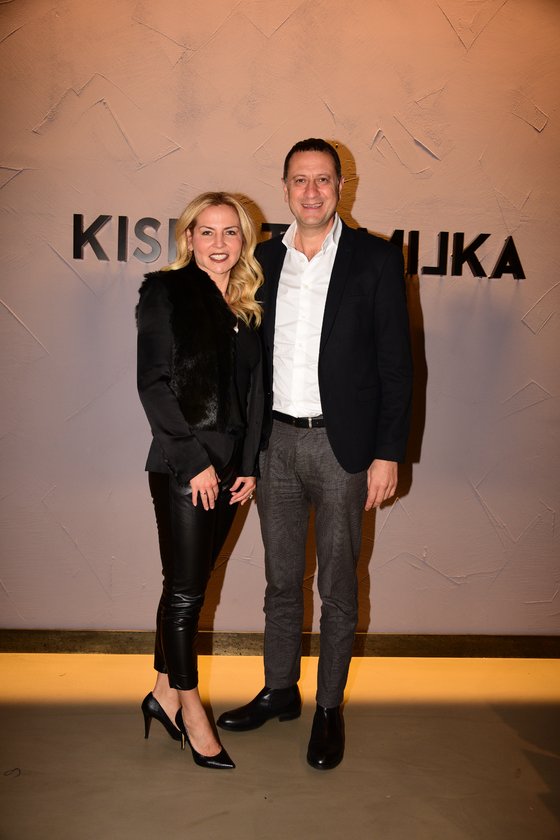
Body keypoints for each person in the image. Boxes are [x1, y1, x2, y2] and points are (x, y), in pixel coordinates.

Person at [217, 139, 413, 770]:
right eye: (299, 180)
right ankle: (280, 690)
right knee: (280, 580)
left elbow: (397, 366)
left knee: (337, 585)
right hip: (274, 444)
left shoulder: (374, 259)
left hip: (342, 448)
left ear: (340, 187)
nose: (311, 191)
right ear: (284, 189)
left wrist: (388, 454)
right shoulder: (261, 259)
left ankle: (328, 707)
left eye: (322, 180)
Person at [136, 191, 264, 770]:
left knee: (184, 587)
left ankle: (161, 694)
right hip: (184, 465)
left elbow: (254, 394)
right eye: (206, 231)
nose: (218, 242)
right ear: (188, 238)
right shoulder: (165, 292)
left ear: (244, 241)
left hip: (232, 469)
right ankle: (192, 712)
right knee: (188, 593)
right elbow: (153, 385)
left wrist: (249, 465)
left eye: (229, 232)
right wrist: (194, 463)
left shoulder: (247, 306)